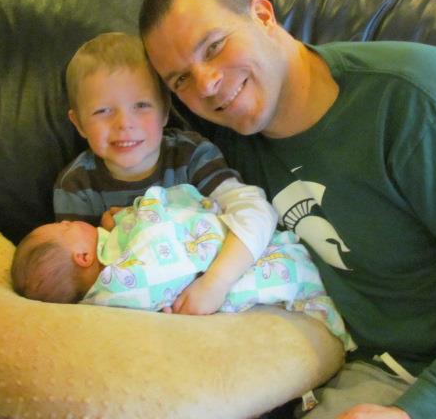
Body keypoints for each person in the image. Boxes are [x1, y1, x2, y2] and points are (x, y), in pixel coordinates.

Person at [138, 0, 436, 419]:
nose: (206, 84)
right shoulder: (220, 149)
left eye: (215, 47)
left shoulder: (418, 96)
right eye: (180, 80)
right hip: (383, 372)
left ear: (262, 15)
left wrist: (422, 410)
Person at [54, 32, 280, 315]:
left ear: (165, 111)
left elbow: (255, 211)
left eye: (141, 106)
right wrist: (111, 240)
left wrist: (216, 282)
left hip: (214, 288)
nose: (124, 124)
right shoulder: (76, 187)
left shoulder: (192, 157)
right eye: (102, 111)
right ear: (78, 123)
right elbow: (75, 278)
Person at [11, 184, 351, 345]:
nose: (68, 221)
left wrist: (123, 225)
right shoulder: (115, 290)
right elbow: (160, 255)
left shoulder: (108, 259)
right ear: (83, 257)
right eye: (64, 227)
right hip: (220, 272)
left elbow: (133, 241)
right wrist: (144, 215)